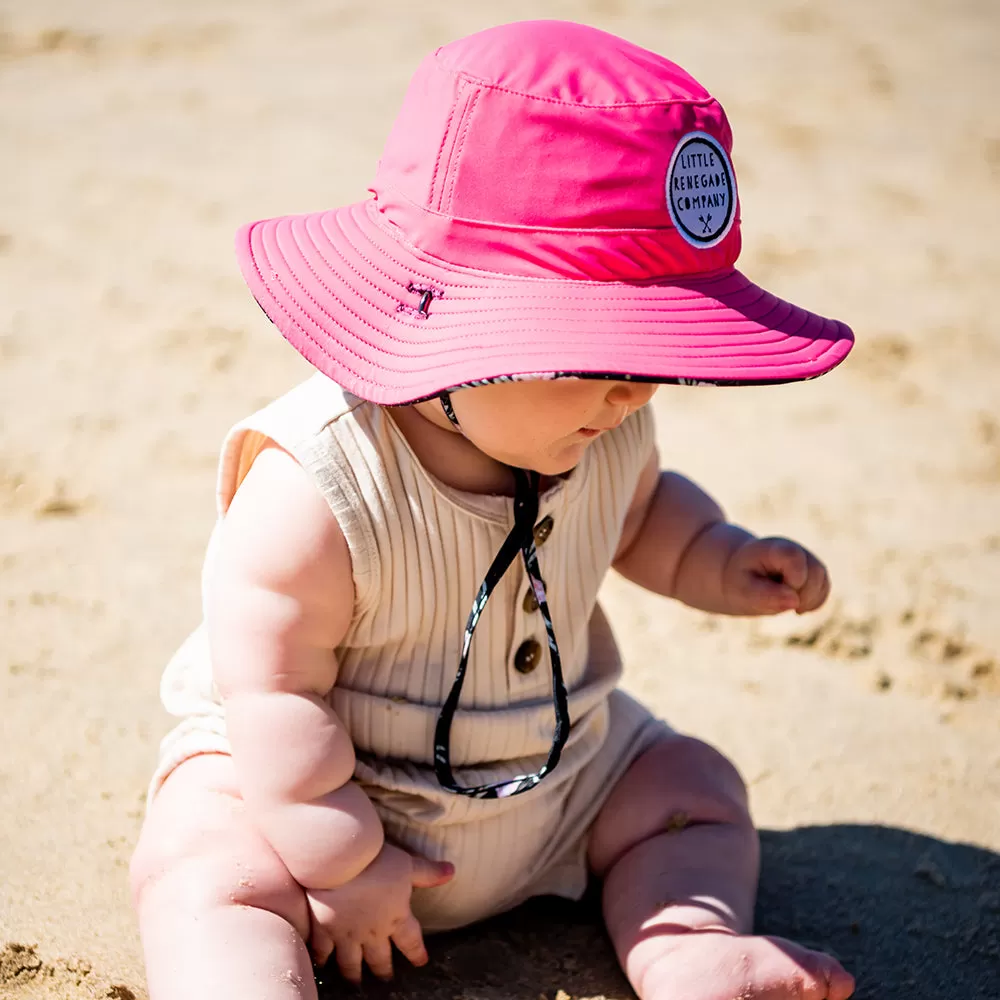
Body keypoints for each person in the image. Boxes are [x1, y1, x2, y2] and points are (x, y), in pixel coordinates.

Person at [129, 19, 857, 1000]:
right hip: (323, 797)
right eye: (601, 357)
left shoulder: (602, 430)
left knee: (694, 790)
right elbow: (271, 691)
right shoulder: (319, 486)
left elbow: (641, 518)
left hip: (559, 781)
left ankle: (686, 940)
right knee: (207, 867)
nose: (633, 396)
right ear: (457, 333)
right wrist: (336, 854)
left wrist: (718, 556)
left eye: (654, 361)